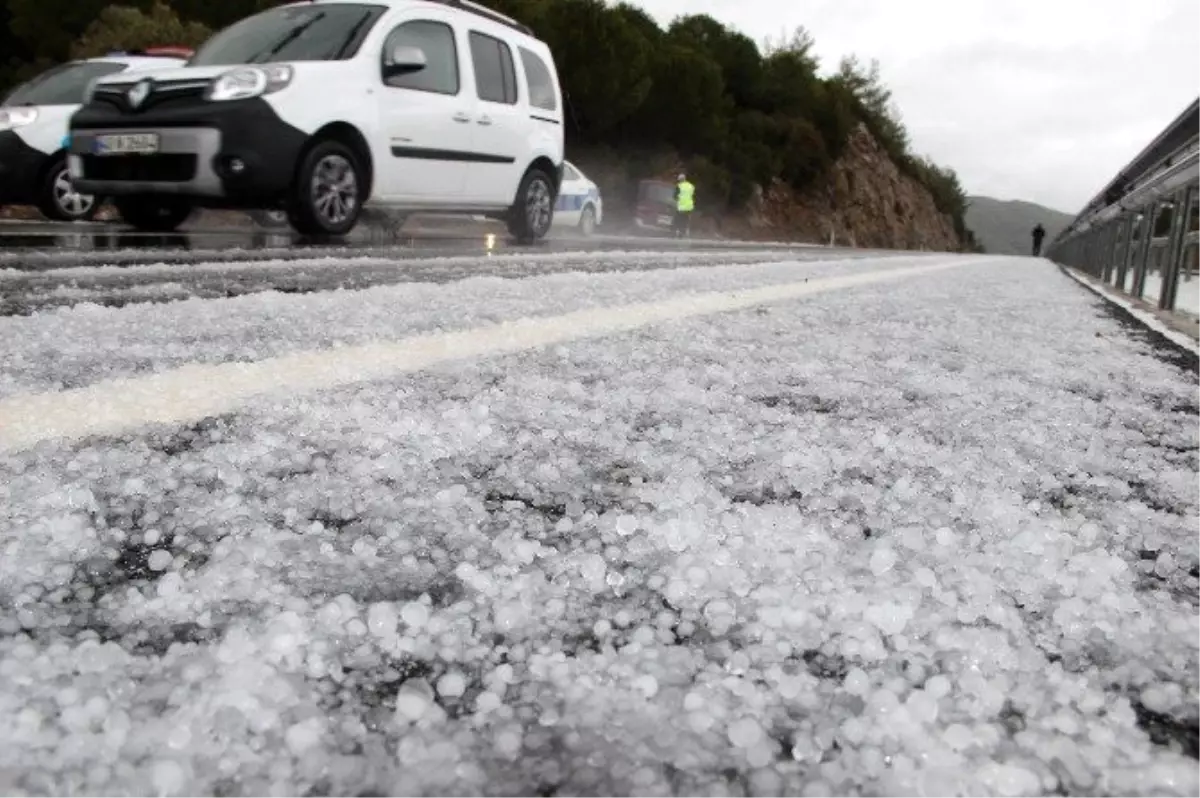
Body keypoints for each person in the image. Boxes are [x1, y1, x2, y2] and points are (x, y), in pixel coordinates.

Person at [674, 172, 695, 238]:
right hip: (689, 206)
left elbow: (674, 196)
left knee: (679, 219)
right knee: (685, 219)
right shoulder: (691, 186)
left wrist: (677, 199)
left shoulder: (679, 186)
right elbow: (692, 195)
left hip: (681, 206)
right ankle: (685, 231)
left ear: (680, 180)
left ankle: (679, 232)